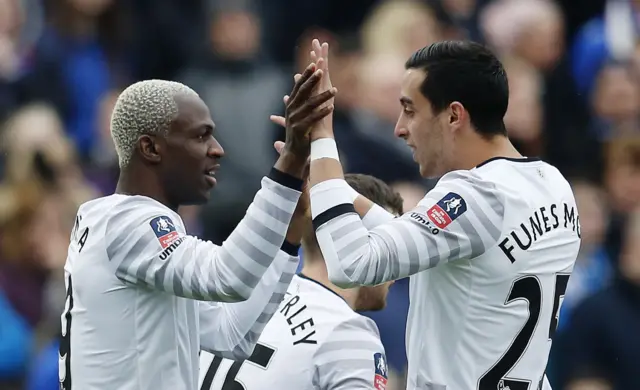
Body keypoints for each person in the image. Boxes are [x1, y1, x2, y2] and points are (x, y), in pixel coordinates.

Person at [303, 39, 581, 389]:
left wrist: (322, 134)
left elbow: (351, 264)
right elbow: (442, 245)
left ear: (453, 115)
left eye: (410, 110)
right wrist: (332, 185)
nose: (399, 128)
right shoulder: (552, 184)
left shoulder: (476, 194)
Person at [60, 66, 337, 390]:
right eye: (200, 135)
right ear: (151, 148)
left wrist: (289, 236)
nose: (217, 149)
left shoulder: (113, 224)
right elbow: (227, 276)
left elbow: (230, 333)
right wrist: (289, 162)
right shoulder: (130, 223)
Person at [199, 173, 403, 390]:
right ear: (356, 240)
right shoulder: (348, 331)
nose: (398, 270)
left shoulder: (247, 299)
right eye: (389, 246)